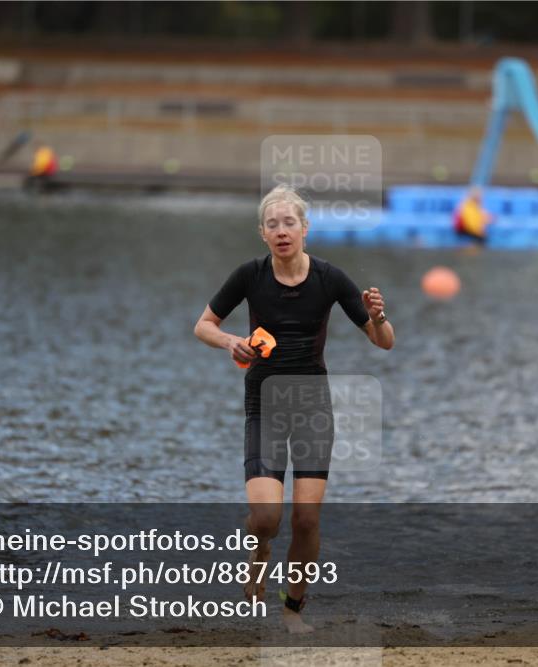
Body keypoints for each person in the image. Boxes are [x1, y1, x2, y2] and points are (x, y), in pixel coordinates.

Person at [194, 185, 395, 633]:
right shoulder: (250, 275)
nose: (282, 231)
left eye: (289, 223)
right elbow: (203, 325)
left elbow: (384, 342)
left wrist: (378, 317)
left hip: (312, 407)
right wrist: (231, 341)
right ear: (263, 234)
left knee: (306, 520)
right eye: (273, 225)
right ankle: (260, 548)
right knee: (267, 518)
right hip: (264, 403)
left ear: (305, 229)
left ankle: (292, 610)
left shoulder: (330, 278)